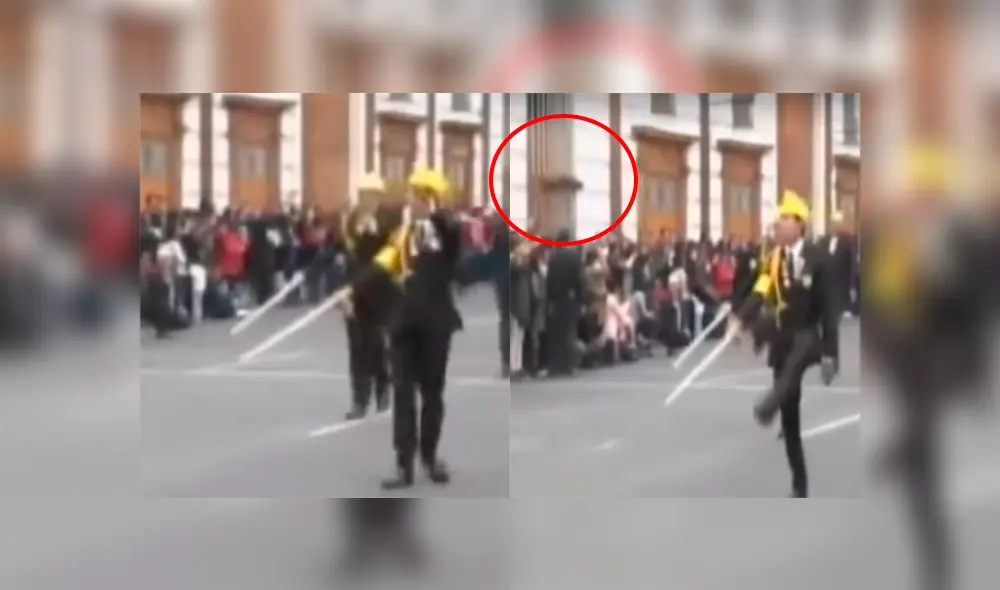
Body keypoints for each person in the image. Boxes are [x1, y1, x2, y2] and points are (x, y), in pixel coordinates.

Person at [346, 167, 463, 489]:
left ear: (428, 197)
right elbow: (382, 263)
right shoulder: (404, 232)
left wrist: (432, 216)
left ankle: (429, 455)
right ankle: (403, 464)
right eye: (410, 193)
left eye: (415, 193)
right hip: (404, 322)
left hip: (436, 322)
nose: (409, 198)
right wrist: (353, 290)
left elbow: (446, 236)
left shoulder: (443, 229)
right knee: (402, 393)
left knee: (432, 394)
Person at [726, 189, 841, 498]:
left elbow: (831, 309)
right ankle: (799, 485)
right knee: (790, 419)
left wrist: (832, 353)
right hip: (782, 335)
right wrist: (740, 320)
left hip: (808, 334)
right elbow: (760, 293)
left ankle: (767, 406)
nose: (777, 225)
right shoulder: (772, 259)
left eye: (784, 219)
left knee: (795, 363)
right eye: (777, 220)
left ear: (800, 225)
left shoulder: (820, 259)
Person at [342, 173, 392, 420]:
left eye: (372, 195)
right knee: (356, 348)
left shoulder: (387, 222)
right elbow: (343, 254)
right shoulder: (350, 221)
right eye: (363, 195)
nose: (367, 200)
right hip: (352, 293)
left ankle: (383, 387)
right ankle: (359, 399)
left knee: (374, 345)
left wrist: (372, 234)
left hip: (377, 292)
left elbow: (386, 258)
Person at [545, 230, 584, 376]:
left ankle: (555, 366)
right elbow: (580, 280)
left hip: (556, 299)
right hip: (570, 298)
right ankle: (568, 365)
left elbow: (549, 280)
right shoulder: (574, 257)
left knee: (556, 334)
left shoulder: (553, 258)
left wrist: (550, 299)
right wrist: (581, 298)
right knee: (570, 332)